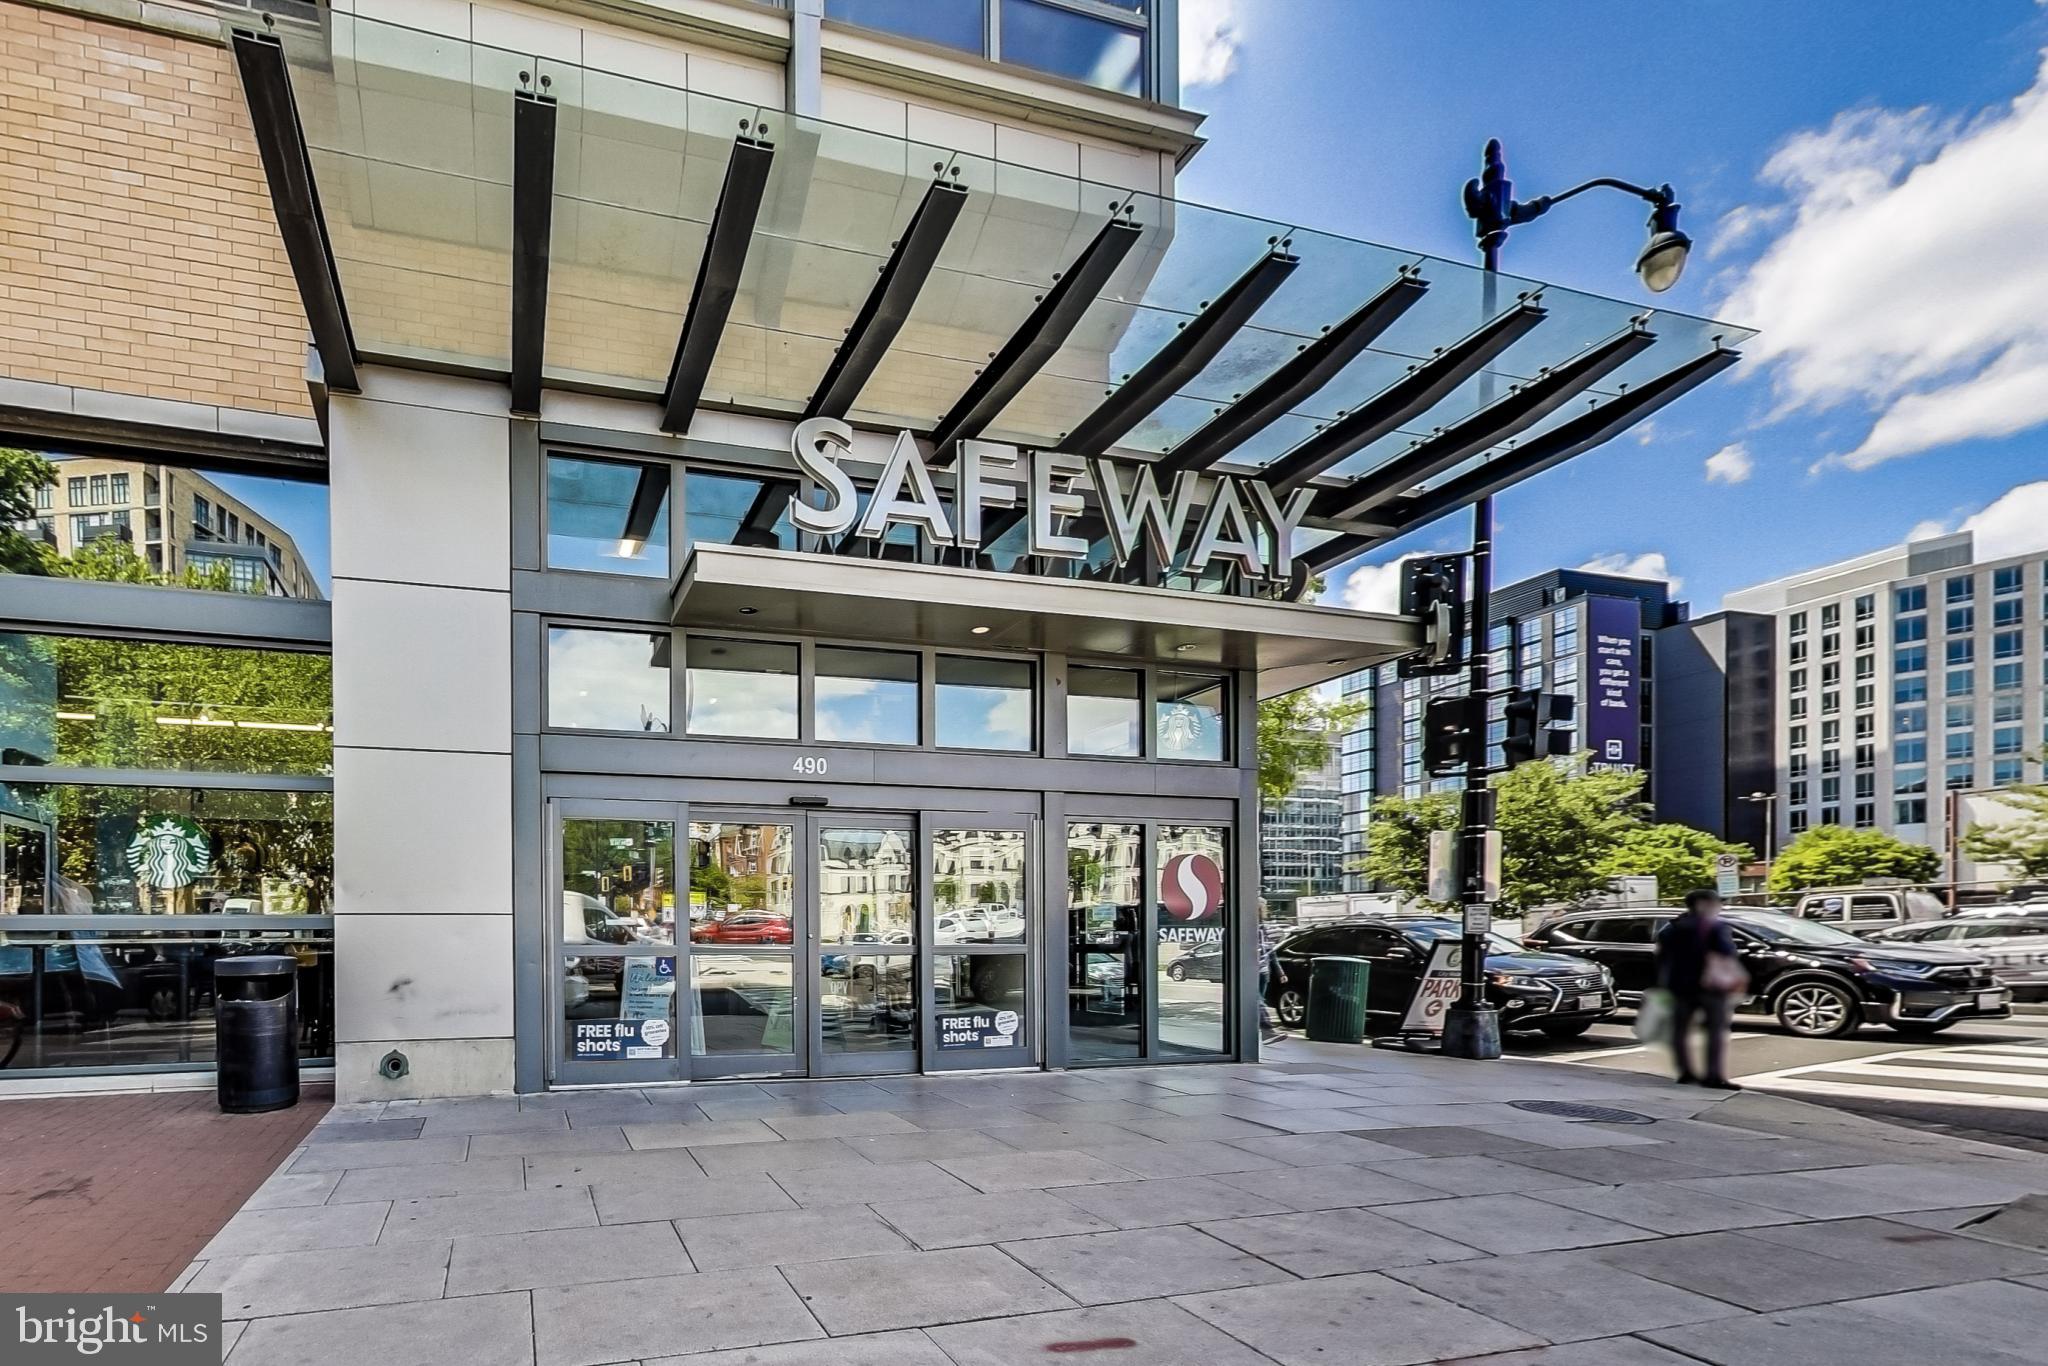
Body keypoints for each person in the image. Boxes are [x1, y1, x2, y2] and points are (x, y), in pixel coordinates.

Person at [1654, 888, 1745, 1090]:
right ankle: (1713, 1076)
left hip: (1679, 985)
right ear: (1702, 904)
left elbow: (1661, 957)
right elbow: (1726, 953)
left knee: (1681, 1031)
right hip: (1710, 986)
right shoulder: (1714, 926)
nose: (1718, 907)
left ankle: (1685, 1072)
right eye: (1715, 903)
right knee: (1715, 1031)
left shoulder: (1671, 928)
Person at [1256, 908, 1286, 1045]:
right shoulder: (1246, 926)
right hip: (1251, 971)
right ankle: (1267, 1031)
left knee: (1256, 1002)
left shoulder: (1265, 929)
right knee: (1257, 1001)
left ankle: (1262, 1033)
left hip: (1263, 971)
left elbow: (1271, 952)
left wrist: (1280, 972)